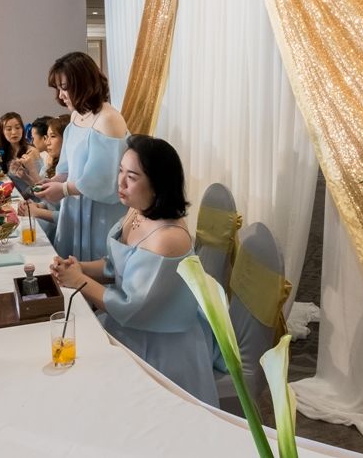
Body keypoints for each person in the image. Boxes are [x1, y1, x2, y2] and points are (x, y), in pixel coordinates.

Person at [50, 135, 220, 406]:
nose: (120, 183)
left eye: (132, 177)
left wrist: (79, 280)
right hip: (129, 323)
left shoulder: (168, 238)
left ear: (158, 184)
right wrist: (81, 267)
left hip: (161, 343)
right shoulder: (136, 211)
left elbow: (132, 306)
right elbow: (115, 264)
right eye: (120, 171)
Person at [36, 52, 128, 261]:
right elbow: (69, 167)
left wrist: (64, 189)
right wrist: (53, 181)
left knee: (92, 265)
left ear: (84, 84)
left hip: (99, 212)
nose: (60, 95)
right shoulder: (77, 115)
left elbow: (104, 182)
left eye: (64, 88)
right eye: (58, 89)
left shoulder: (109, 120)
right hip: (75, 204)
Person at [16, 114, 69, 243]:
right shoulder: (56, 164)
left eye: (52, 136)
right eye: (46, 137)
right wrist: (37, 206)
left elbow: (68, 216)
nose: (47, 142)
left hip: (57, 231)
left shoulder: (69, 170)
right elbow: (51, 203)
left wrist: (36, 210)